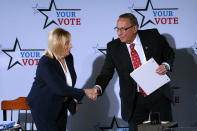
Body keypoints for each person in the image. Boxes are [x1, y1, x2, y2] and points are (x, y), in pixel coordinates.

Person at [93, 13, 175, 131]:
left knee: (162, 129)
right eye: (117, 29)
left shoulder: (152, 36)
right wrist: (98, 87)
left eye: (123, 29)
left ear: (135, 28)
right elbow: (106, 72)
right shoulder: (113, 47)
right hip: (134, 99)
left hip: (158, 94)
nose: (119, 33)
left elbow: (169, 54)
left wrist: (165, 65)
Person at [26, 28, 96, 131]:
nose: (71, 46)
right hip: (43, 107)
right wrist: (84, 92)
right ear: (57, 45)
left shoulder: (68, 57)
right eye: (67, 43)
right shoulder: (45, 62)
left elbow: (67, 84)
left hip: (60, 105)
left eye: (69, 42)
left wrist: (71, 102)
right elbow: (59, 88)